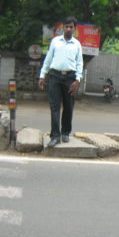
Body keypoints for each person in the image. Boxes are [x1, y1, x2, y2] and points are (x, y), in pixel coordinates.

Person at [39, 16, 83, 148]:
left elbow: (79, 63)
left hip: (70, 78)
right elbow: (48, 59)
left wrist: (77, 79)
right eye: (66, 27)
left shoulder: (77, 44)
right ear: (62, 28)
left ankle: (65, 133)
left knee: (69, 107)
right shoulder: (55, 42)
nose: (69, 29)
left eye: (71, 27)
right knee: (54, 107)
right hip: (55, 77)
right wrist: (42, 76)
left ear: (74, 29)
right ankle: (55, 136)